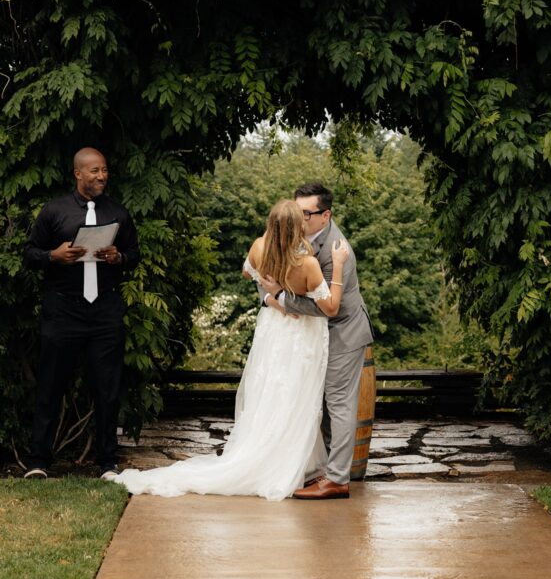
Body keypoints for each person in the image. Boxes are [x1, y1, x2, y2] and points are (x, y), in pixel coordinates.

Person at [109, 199, 349, 499]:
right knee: (295, 397)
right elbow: (331, 307)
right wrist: (337, 266)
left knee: (269, 394)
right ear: (299, 226)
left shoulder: (259, 247)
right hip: (301, 337)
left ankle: (278, 456)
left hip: (273, 331)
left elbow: (247, 272)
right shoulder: (308, 264)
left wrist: (272, 294)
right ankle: (289, 464)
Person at [23, 147, 140, 480]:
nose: (101, 176)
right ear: (78, 174)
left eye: (104, 170)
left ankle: (107, 463)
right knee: (50, 385)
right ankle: (38, 461)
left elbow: (134, 254)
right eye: (94, 171)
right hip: (63, 310)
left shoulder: (118, 213)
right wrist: (53, 256)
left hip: (105, 311)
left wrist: (119, 257)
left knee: (107, 388)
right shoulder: (54, 211)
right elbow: (29, 254)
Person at [260, 182, 374, 500]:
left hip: (341, 331)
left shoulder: (337, 251)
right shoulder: (292, 234)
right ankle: (314, 470)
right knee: (306, 400)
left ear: (326, 216)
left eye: (306, 214)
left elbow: (326, 307)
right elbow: (264, 269)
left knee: (338, 403)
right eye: (296, 212)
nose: (299, 219)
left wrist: (280, 297)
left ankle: (337, 479)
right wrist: (268, 297)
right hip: (308, 334)